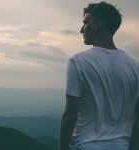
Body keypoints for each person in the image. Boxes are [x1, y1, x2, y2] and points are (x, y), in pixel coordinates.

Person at [59, 1, 139, 150]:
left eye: (85, 22)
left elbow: (70, 115)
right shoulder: (135, 67)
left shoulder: (78, 62)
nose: (81, 29)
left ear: (97, 25)